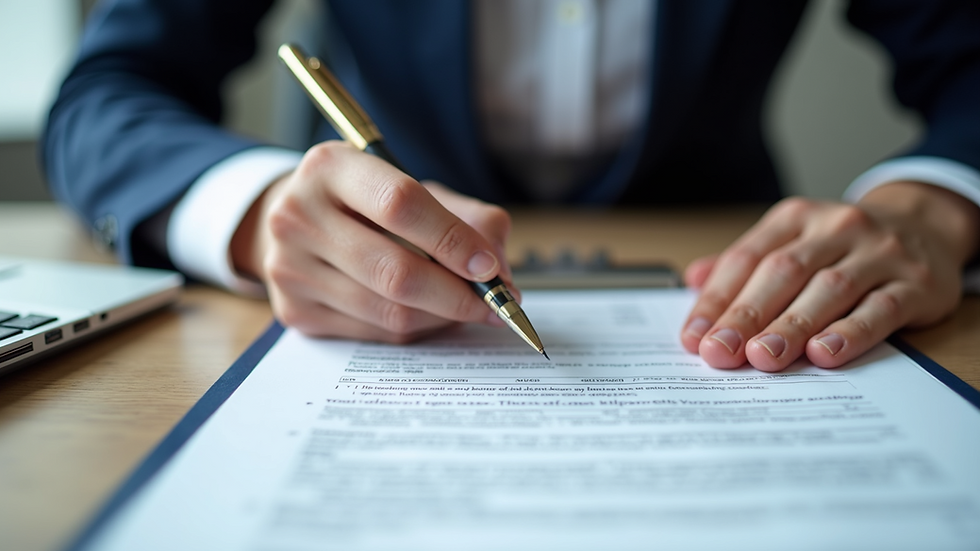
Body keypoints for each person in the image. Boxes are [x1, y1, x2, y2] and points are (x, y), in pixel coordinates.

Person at [43, 0, 980, 373]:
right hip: (367, 273)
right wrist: (251, 212)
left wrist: (931, 199)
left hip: (724, 252)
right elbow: (107, 93)